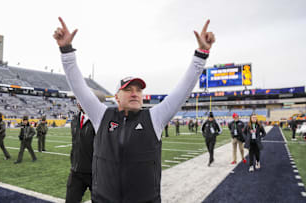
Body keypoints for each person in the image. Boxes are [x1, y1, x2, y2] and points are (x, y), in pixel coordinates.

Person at [54, 17, 215, 202]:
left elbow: (183, 89)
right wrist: (66, 51)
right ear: (116, 97)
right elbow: (78, 86)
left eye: (139, 90)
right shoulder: (102, 116)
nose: (135, 93)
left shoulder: (154, 118)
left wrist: (201, 54)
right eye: (128, 89)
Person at [66, 103, 97, 203]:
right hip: (76, 172)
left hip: (96, 174)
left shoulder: (99, 119)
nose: (80, 102)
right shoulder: (75, 119)